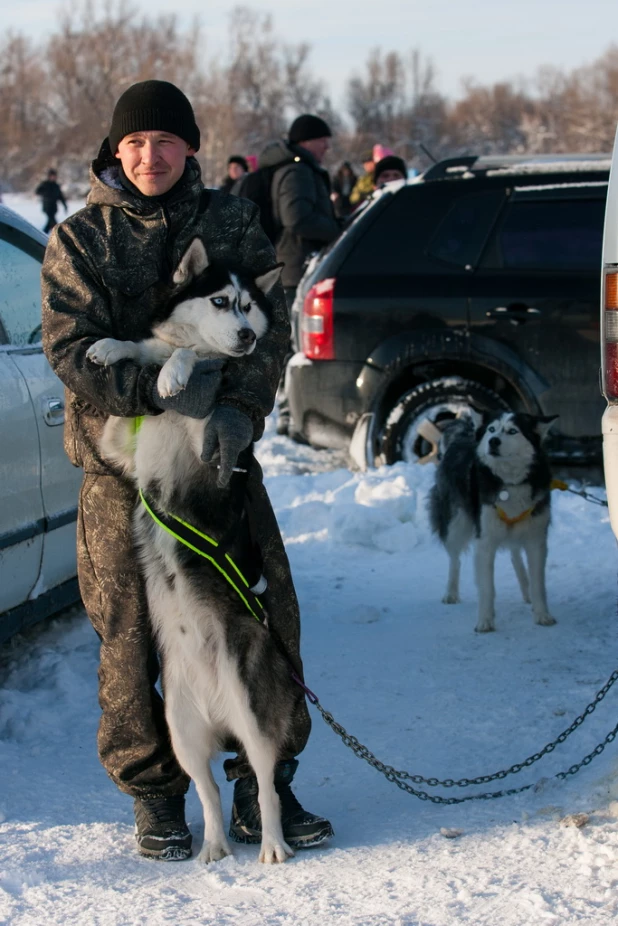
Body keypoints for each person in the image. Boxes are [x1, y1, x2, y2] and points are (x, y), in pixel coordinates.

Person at [41, 79, 333, 861]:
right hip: (122, 476)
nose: (150, 156)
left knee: (264, 614)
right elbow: (71, 350)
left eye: (165, 141)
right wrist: (149, 387)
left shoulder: (230, 221)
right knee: (129, 635)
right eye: (135, 143)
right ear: (114, 150)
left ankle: (263, 779)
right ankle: (157, 794)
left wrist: (240, 410)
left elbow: (266, 331)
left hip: (219, 461)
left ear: (190, 147)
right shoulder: (80, 241)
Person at [260, 113, 341, 435]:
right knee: (293, 347)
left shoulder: (298, 168)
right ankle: (289, 418)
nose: (326, 148)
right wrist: (337, 230)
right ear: (307, 140)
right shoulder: (296, 171)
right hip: (293, 271)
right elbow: (296, 217)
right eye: (323, 141)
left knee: (292, 345)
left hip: (295, 268)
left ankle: (292, 416)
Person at [35, 168, 68, 233]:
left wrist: (65, 206)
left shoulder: (56, 186)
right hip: (47, 206)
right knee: (53, 222)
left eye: (54, 176)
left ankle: (44, 234)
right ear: (49, 176)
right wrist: (45, 193)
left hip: (54, 207)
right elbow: (37, 191)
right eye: (52, 176)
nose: (53, 177)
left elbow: (60, 197)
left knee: (50, 223)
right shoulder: (45, 184)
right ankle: (58, 233)